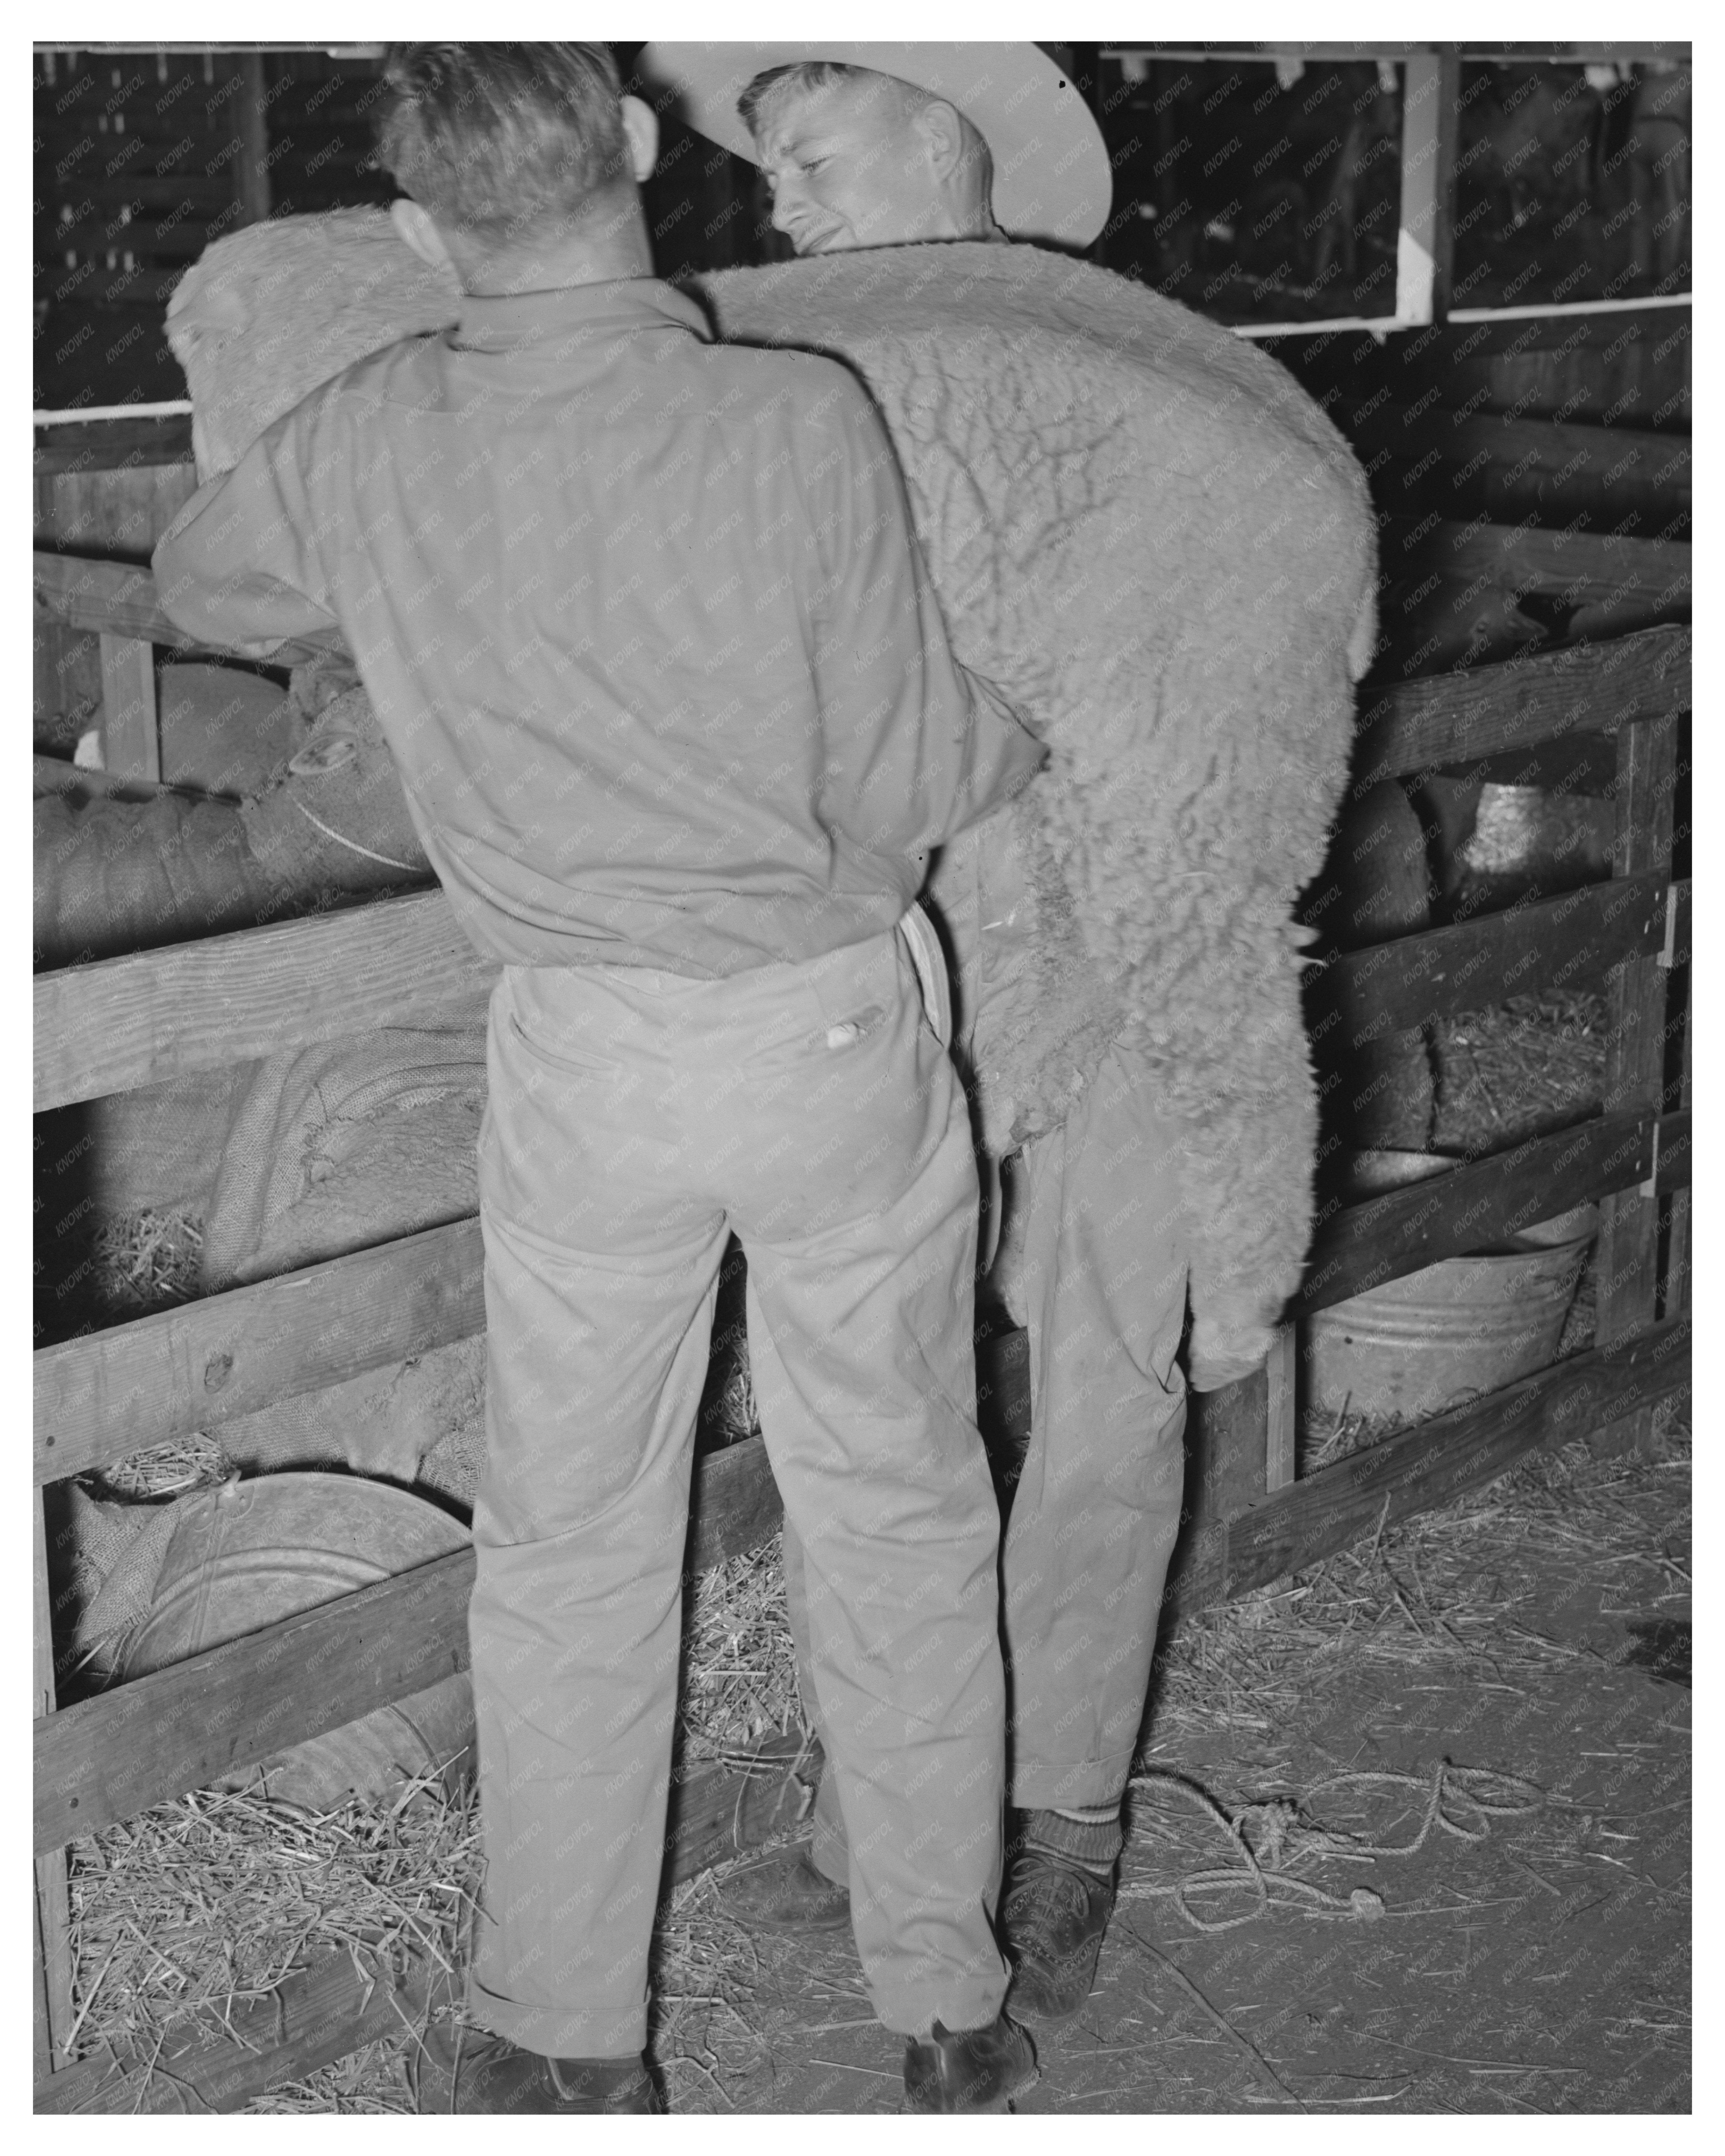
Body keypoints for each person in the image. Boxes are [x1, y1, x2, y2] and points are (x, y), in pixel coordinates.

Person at [153, 42, 1050, 2116]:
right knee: (899, 1501)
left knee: (568, 1537)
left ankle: (569, 2030)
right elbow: (919, 766)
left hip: (586, 1056)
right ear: (644, 152)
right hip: (827, 1029)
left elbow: (209, 583)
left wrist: (403, 504)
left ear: (410, 222)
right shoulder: (794, 414)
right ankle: (938, 1992)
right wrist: (1007, 735)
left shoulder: (378, 424)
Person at [641, 40, 1374, 2027]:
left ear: (947, 124)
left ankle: (1060, 1811)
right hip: (894, 967)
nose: (780, 194)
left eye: (813, 144)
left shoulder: (1154, 402)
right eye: (766, 159)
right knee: (871, 1396)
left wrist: (1244, 1148)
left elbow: (1211, 766)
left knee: (1116, 1378)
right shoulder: (779, 371)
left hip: (1124, 965)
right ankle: (892, 1804)